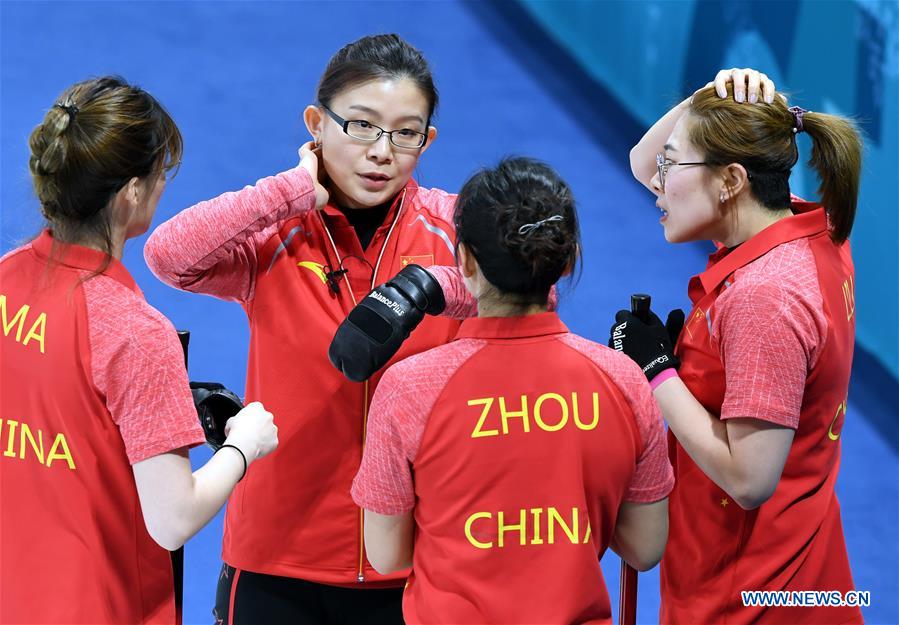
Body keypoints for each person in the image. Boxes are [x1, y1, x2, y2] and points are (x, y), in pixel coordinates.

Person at [144, 34, 463, 624]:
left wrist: (438, 287)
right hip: (275, 559)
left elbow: (535, 288)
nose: (381, 152)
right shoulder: (278, 232)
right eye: (361, 126)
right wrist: (293, 190)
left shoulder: (454, 227)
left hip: (415, 561)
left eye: (406, 133)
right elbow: (169, 257)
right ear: (317, 123)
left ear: (428, 140)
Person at [0, 76, 278, 625]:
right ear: (131, 192)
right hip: (102, 604)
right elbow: (172, 519)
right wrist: (242, 447)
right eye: (158, 177)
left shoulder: (4, 280)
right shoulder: (136, 331)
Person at [352, 157, 674, 625]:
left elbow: (386, 555)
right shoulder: (624, 380)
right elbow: (644, 548)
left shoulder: (409, 387)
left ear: (463, 260)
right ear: (568, 260)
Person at [612, 68, 864, 624]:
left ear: (730, 181)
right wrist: (709, 97)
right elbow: (639, 161)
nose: (655, 180)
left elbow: (749, 479)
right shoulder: (810, 229)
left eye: (671, 166)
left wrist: (654, 370)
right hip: (802, 573)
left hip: (749, 596)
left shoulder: (765, 297)